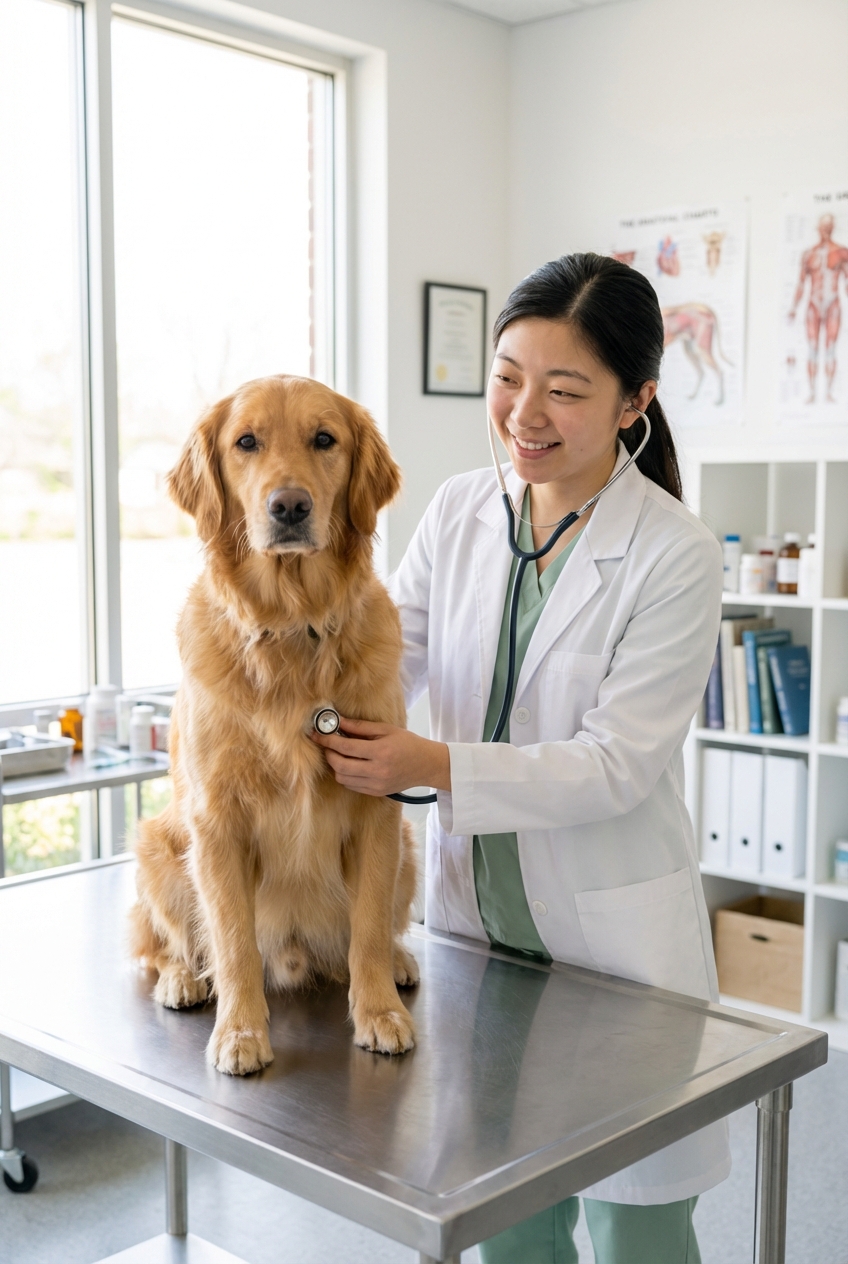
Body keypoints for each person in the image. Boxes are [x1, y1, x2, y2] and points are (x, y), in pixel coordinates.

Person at [312, 253, 730, 1263]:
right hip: (478, 944)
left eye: (564, 388)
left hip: (615, 958)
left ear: (633, 402)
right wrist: (295, 710)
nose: (523, 410)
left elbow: (614, 764)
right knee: (506, 1217)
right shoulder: (460, 509)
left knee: (637, 1229)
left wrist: (433, 762)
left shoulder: (672, 551)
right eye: (507, 375)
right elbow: (385, 652)